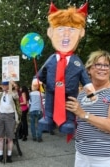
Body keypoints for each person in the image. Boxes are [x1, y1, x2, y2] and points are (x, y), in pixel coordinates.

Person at [37, 2, 96, 135]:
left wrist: (90, 91)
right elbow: (42, 72)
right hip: (52, 90)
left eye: (72, 29)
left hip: (70, 92)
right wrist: (37, 80)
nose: (66, 34)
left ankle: (69, 121)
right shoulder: (51, 59)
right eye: (60, 29)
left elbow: (84, 77)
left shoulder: (76, 61)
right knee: (49, 104)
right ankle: (48, 118)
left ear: (81, 33)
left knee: (70, 106)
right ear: (50, 32)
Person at [65, 50, 110, 167]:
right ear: (89, 69)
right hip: (82, 156)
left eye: (106, 65)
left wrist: (83, 114)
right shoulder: (81, 93)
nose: (103, 68)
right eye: (98, 64)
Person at [0, 81, 19, 163]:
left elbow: (16, 96)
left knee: (10, 138)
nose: (3, 86)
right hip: (1, 115)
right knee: (0, 137)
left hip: (10, 116)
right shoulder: (1, 94)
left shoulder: (12, 93)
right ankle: (0, 154)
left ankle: (9, 155)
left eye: (5, 85)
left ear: (8, 86)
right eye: (2, 85)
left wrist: (14, 86)